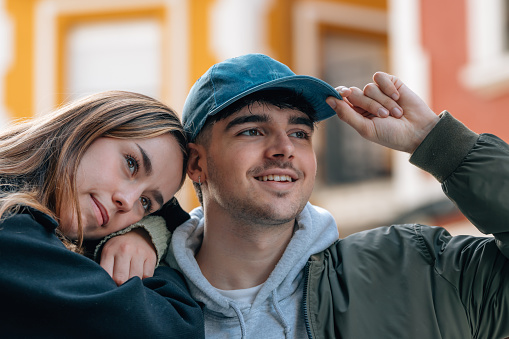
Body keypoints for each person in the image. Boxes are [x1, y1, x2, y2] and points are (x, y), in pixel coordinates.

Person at [101, 54, 509, 338]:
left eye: (299, 132)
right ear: (196, 164)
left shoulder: (413, 270)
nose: (285, 148)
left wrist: (444, 147)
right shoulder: (130, 296)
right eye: (252, 130)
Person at [0, 91, 204, 338]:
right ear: (87, 128)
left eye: (145, 202)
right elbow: (176, 328)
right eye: (131, 164)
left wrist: (146, 233)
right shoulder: (11, 230)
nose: (126, 202)